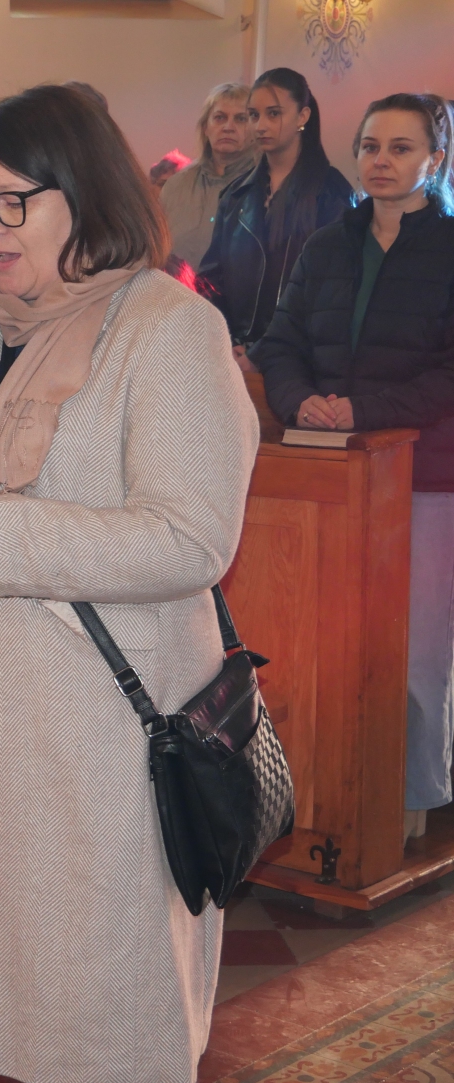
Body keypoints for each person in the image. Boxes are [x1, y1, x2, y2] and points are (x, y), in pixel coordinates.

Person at [0, 84, 257, 1083]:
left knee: (120, 1032)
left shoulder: (167, 329)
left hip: (105, 741)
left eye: (12, 202)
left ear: (82, 193)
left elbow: (191, 537)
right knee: (53, 1023)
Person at [251, 93, 454, 841]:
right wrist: (300, 401)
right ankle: (324, 798)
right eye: (371, 146)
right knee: (325, 646)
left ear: (435, 159)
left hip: (424, 475)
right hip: (328, 479)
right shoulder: (326, 245)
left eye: (402, 148)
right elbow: (279, 343)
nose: (382, 161)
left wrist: (362, 411)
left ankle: (412, 802)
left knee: (415, 649)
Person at [198, 67, 354, 349]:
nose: (260, 126)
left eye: (273, 114)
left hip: (298, 354)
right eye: (254, 115)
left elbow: (334, 293)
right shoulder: (236, 195)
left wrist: (265, 351)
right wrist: (226, 342)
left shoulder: (331, 193)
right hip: (233, 349)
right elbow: (211, 280)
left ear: (302, 116)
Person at [160, 82, 255, 267]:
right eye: (219, 118)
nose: (228, 127)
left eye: (240, 119)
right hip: (177, 285)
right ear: (205, 127)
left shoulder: (267, 185)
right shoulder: (176, 186)